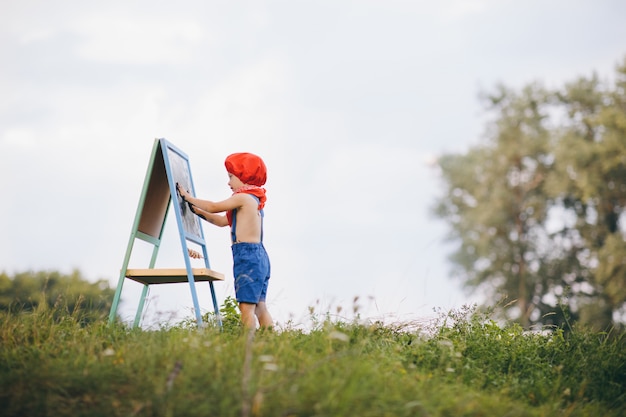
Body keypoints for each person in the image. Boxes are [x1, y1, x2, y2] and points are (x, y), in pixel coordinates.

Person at [176, 153, 273, 330]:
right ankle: (271, 340)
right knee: (259, 305)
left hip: (247, 255)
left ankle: (247, 345)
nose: (229, 183)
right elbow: (221, 221)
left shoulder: (242, 198)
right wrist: (198, 212)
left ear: (244, 176)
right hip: (259, 256)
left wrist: (187, 197)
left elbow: (213, 206)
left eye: (231, 177)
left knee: (246, 307)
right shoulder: (254, 200)